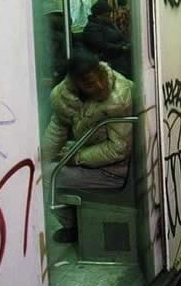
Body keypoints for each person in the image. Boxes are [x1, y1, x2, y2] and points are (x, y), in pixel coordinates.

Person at [41, 50, 134, 243]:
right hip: (94, 156)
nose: (100, 86)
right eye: (90, 84)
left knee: (47, 177)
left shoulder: (118, 97)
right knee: (41, 169)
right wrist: (41, 157)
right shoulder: (64, 97)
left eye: (100, 77)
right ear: (76, 83)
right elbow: (57, 129)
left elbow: (118, 149)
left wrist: (76, 158)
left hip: (116, 169)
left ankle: (73, 227)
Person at [82, 0, 131, 77]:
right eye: (107, 16)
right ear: (98, 15)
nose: (110, 18)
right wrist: (121, 48)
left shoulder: (108, 24)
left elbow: (120, 37)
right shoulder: (91, 28)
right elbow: (101, 45)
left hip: (118, 56)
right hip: (108, 59)